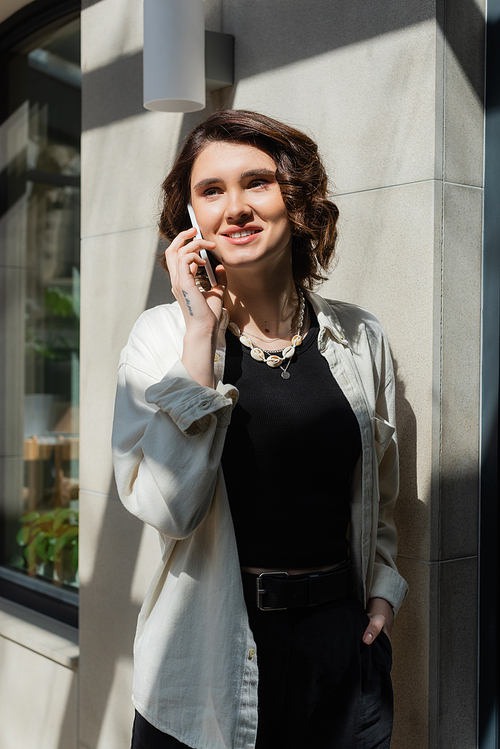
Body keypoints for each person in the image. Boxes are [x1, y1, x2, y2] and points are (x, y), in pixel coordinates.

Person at [112, 110, 408, 749]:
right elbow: (168, 508)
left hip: (339, 659)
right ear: (191, 220)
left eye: (257, 183)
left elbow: (380, 494)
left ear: (294, 199)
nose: (236, 207)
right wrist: (199, 332)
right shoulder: (160, 339)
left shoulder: (361, 338)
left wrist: (382, 592)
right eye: (211, 191)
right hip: (206, 662)